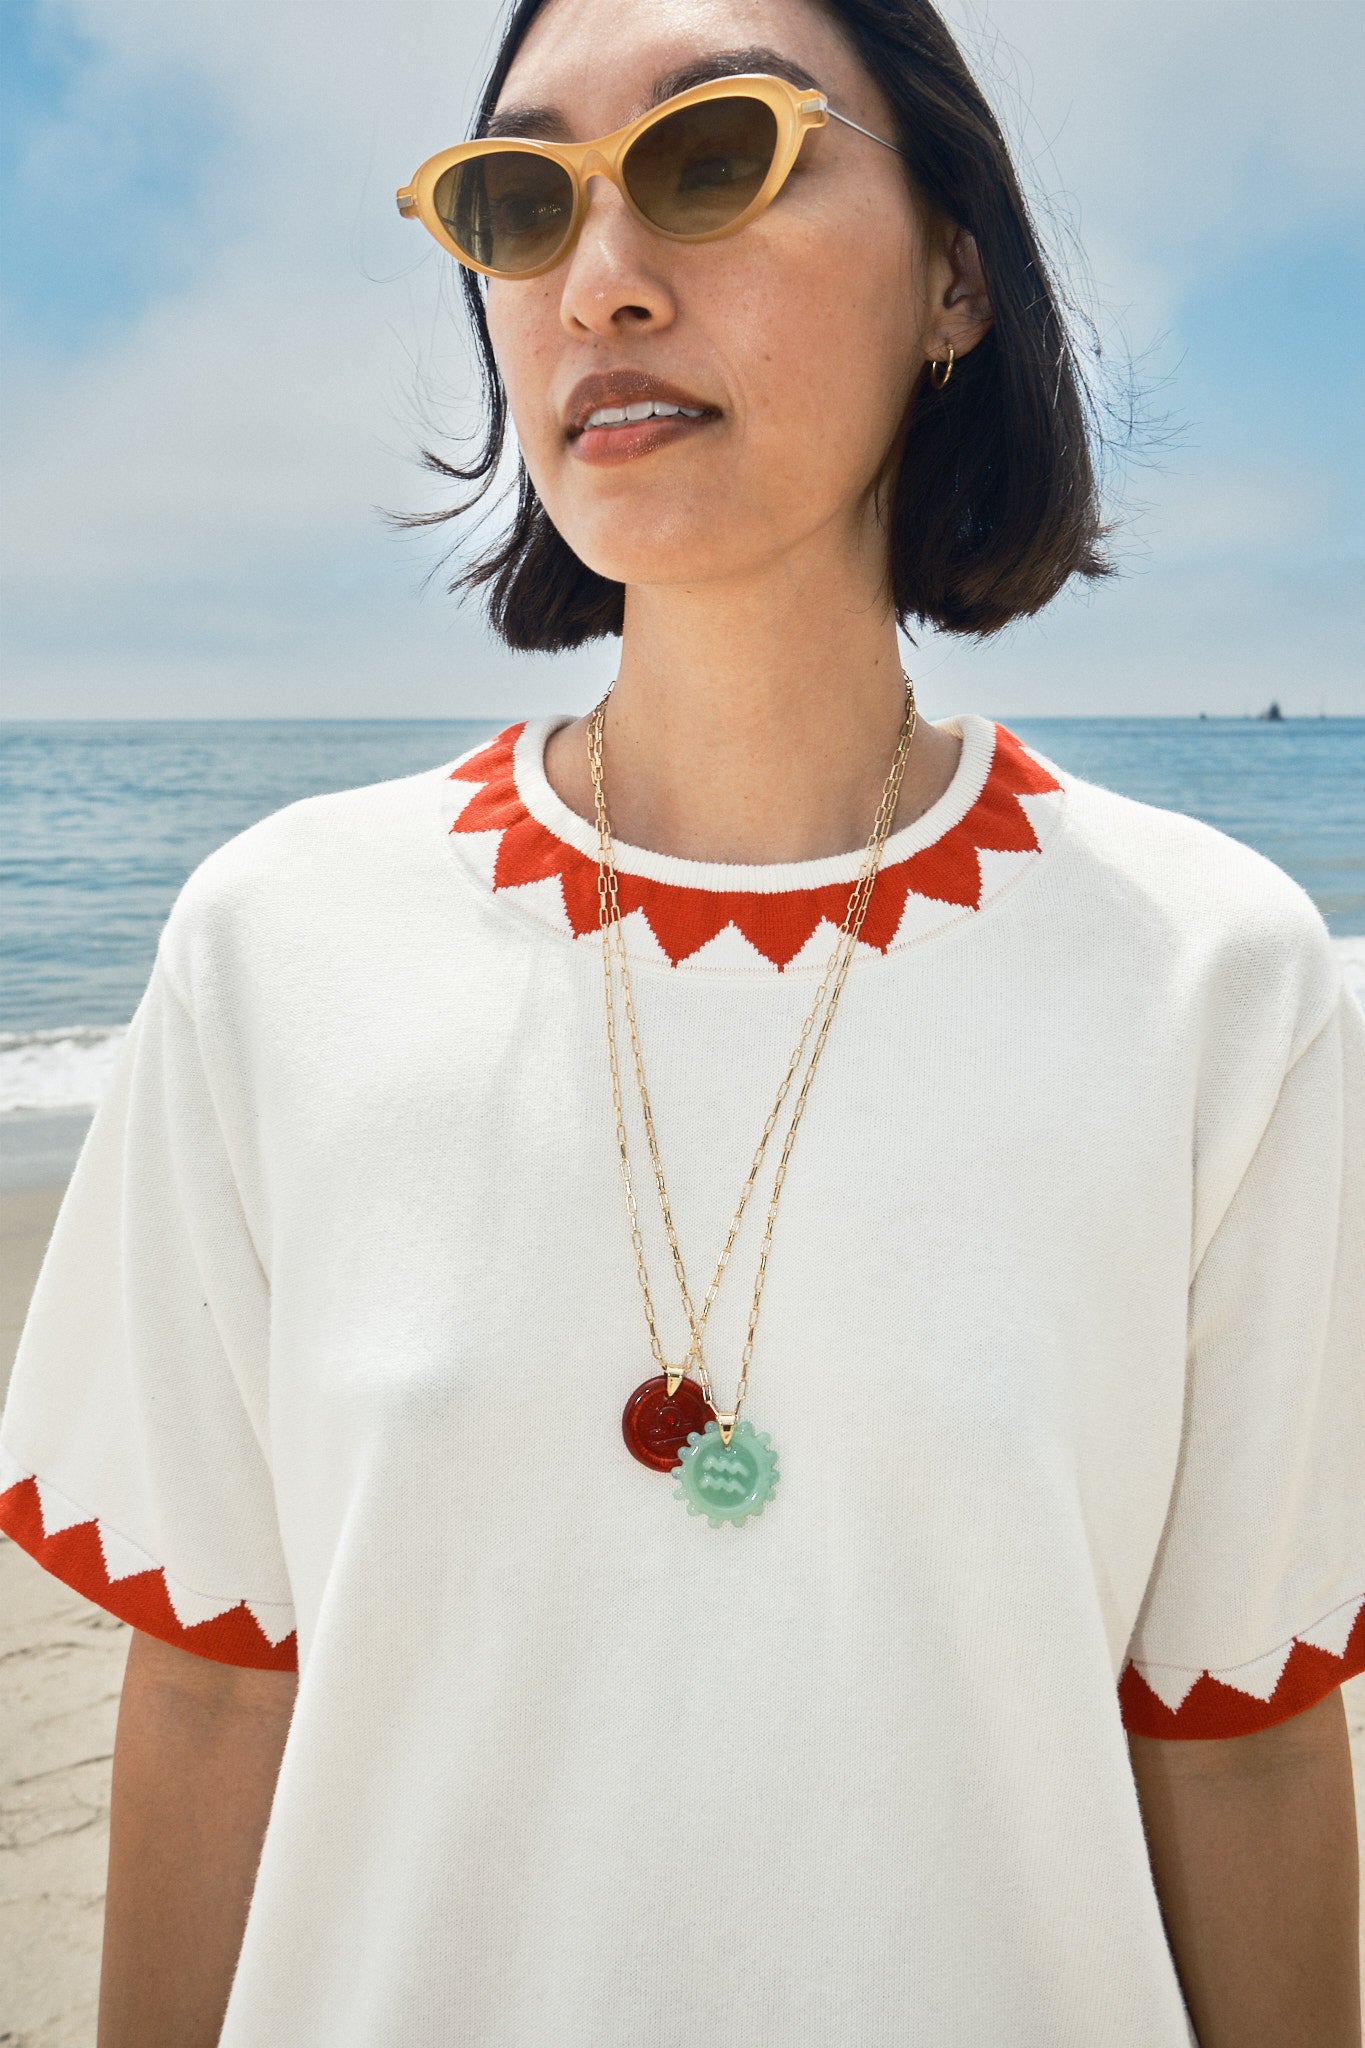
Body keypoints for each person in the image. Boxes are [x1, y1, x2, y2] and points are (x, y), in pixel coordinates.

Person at [1, 0, 1361, 2042]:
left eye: (714, 156)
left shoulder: (1212, 981)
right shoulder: (272, 948)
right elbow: (211, 1690)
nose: (602, 280)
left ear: (956, 277)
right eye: (518, 202)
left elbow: (1237, 1745)